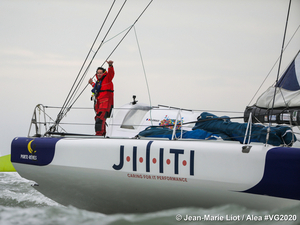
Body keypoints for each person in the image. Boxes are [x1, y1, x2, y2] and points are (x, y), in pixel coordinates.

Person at [89, 60, 114, 136]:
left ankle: (98, 135)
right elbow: (98, 88)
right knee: (100, 119)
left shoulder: (107, 78)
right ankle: (102, 134)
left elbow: (111, 74)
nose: (99, 74)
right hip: (100, 104)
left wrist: (110, 66)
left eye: (100, 73)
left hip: (105, 104)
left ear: (103, 73)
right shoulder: (99, 82)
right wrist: (91, 83)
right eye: (98, 73)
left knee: (99, 119)